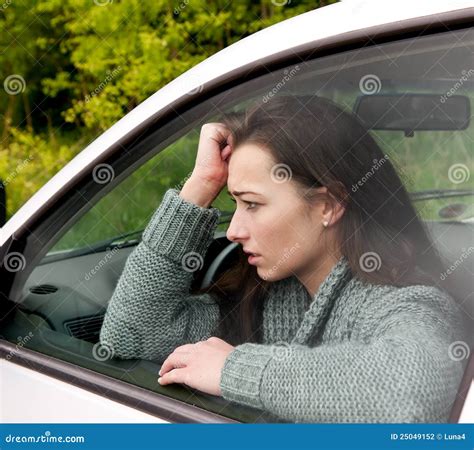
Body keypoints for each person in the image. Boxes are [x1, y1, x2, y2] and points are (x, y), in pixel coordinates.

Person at [99, 94, 467, 423]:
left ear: (328, 205)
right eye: (234, 203)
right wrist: (201, 184)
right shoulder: (263, 299)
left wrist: (234, 369)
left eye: (253, 204)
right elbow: (131, 335)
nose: (233, 230)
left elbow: (407, 399)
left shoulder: (414, 304)